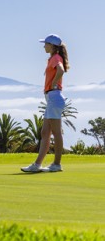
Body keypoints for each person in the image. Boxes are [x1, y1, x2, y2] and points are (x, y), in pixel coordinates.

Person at [21, 34, 70, 173]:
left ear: (52, 46)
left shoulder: (55, 58)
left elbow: (61, 70)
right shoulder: (53, 58)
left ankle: (56, 164)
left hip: (54, 97)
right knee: (45, 132)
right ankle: (38, 164)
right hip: (52, 98)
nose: (44, 46)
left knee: (55, 132)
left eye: (46, 44)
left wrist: (54, 83)